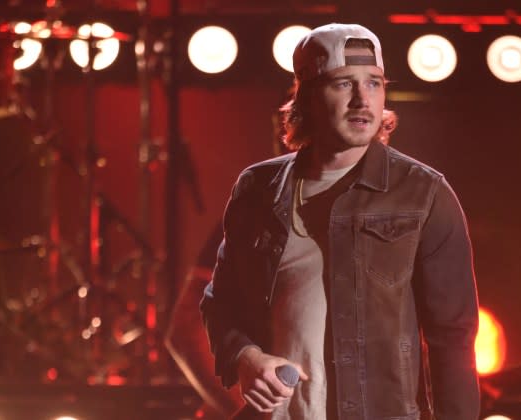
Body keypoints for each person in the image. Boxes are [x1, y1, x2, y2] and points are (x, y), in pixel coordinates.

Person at [200, 23, 480, 420]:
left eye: (374, 83)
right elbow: (220, 303)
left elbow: (453, 340)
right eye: (344, 84)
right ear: (308, 97)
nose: (363, 100)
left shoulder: (424, 195)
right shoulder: (258, 191)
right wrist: (246, 357)